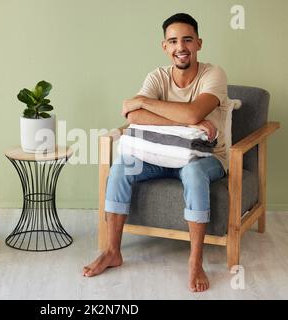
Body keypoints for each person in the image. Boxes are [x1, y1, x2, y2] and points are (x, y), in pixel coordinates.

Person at [83, 13, 229, 293]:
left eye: (187, 40)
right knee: (123, 165)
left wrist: (152, 104)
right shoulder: (157, 76)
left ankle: (195, 262)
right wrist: (187, 120)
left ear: (198, 43)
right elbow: (134, 115)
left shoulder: (214, 74)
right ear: (164, 46)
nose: (180, 47)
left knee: (195, 172)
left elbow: (193, 110)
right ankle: (112, 251)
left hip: (206, 157)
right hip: (160, 156)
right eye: (173, 41)